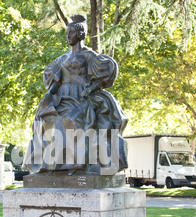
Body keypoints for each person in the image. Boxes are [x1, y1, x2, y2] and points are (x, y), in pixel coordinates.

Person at [23, 14, 128, 176]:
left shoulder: (89, 55)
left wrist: (90, 90)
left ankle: (76, 165)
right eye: (66, 33)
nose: (67, 36)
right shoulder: (62, 59)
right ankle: (53, 166)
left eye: (70, 33)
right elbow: (55, 83)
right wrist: (48, 97)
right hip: (62, 97)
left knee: (71, 120)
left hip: (82, 97)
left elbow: (102, 78)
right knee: (44, 120)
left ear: (80, 34)